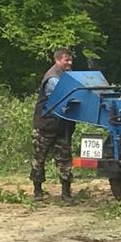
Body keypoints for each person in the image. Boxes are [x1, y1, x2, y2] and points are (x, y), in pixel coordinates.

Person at [31, 48, 75, 201]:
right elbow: (61, 97)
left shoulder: (67, 76)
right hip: (46, 125)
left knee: (64, 158)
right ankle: (37, 192)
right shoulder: (52, 78)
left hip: (62, 126)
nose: (69, 62)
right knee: (39, 157)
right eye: (66, 60)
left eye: (70, 60)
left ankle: (66, 193)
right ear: (57, 60)